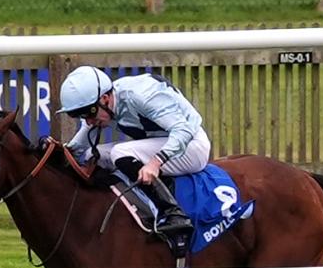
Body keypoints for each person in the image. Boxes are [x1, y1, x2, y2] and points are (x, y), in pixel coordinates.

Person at [55, 65, 211, 248]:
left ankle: (172, 213)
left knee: (120, 153)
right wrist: (57, 153)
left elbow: (183, 131)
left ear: (105, 98)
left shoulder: (141, 96)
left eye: (89, 113)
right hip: (164, 143)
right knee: (91, 155)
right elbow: (77, 148)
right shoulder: (104, 104)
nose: (88, 121)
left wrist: (155, 163)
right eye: (80, 115)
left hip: (192, 145)